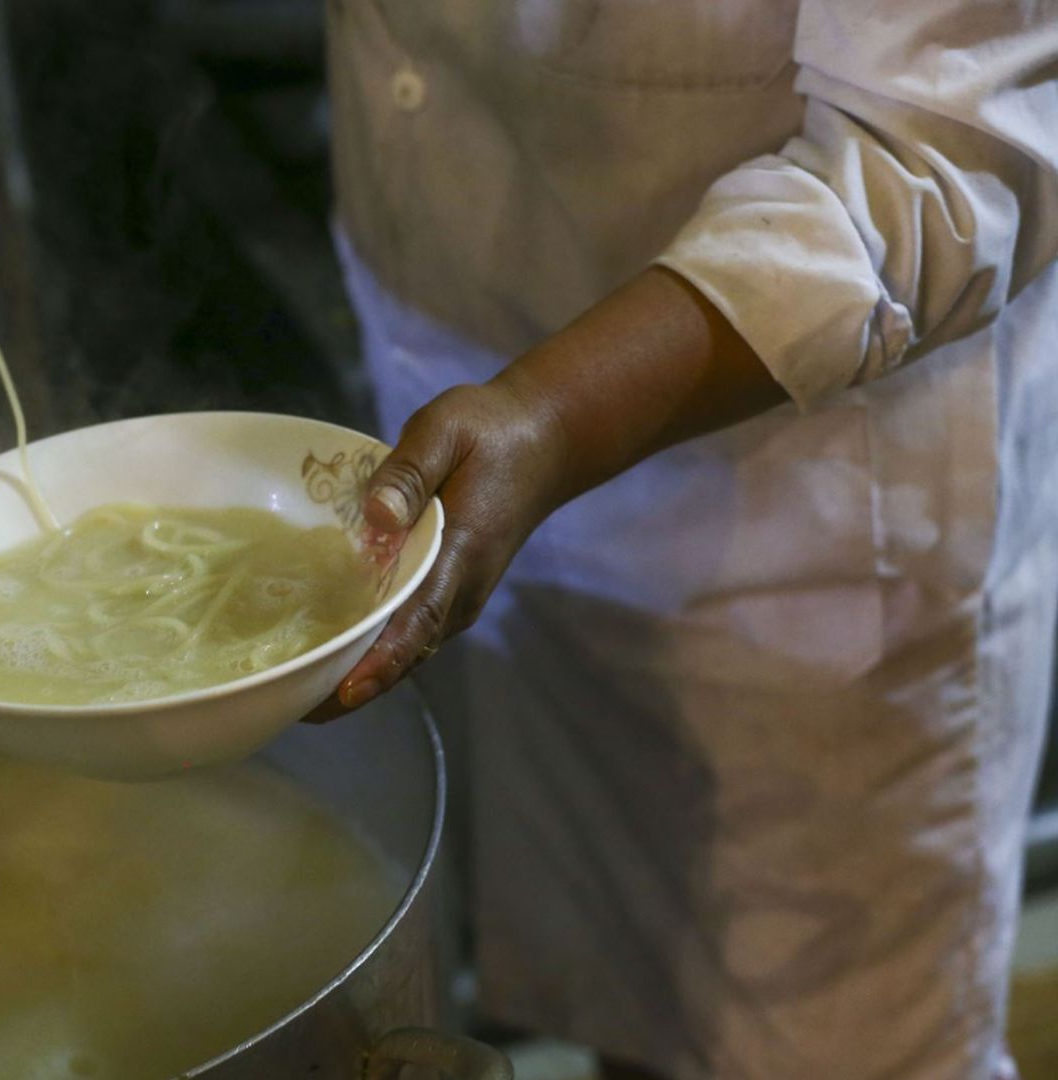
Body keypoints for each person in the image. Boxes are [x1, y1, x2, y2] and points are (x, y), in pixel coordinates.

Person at [308, 2, 1058, 1078]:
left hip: (797, 506)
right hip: (482, 387)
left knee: (809, 1042)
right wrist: (532, 426)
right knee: (635, 997)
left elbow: (938, 150)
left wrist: (556, 417)